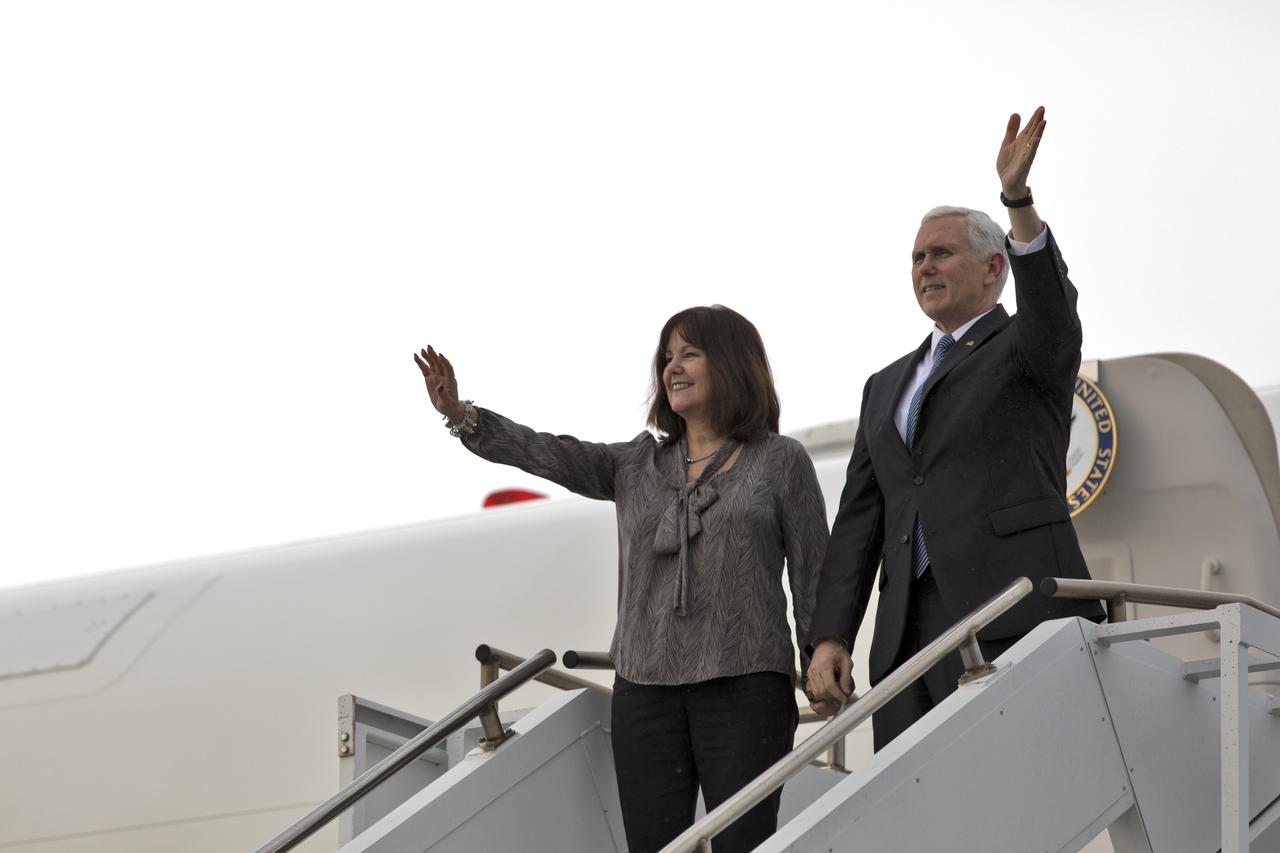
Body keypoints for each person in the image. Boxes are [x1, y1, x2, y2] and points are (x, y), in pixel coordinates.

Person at [415, 305, 828, 853]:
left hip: (746, 686)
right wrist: (463, 414)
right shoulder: (635, 465)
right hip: (646, 694)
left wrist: (820, 654)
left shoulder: (781, 461)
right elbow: (547, 453)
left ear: (731, 364)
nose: (672, 367)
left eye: (690, 353)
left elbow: (812, 575)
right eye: (667, 357)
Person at [805, 107, 1105, 751]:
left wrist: (1016, 200)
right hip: (905, 635)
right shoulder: (884, 385)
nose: (924, 267)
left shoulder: (1027, 346)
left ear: (995, 267)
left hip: (1009, 613)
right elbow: (860, 520)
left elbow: (1053, 306)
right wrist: (831, 634)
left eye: (941, 253)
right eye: (916, 257)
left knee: (1011, 798)